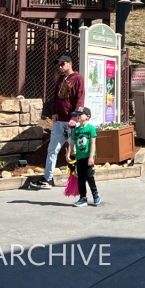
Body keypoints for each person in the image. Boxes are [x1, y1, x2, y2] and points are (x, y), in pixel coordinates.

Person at [32, 54, 85, 190]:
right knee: (52, 149)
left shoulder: (78, 78)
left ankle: (81, 176)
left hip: (71, 122)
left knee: (75, 151)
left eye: (63, 64)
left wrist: (74, 118)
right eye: (59, 65)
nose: (60, 67)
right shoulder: (61, 79)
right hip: (58, 121)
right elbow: (55, 96)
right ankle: (47, 179)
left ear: (69, 64)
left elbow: (80, 100)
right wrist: (54, 112)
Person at [68, 107, 99, 207]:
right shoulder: (76, 130)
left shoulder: (91, 128)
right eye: (77, 115)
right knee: (80, 177)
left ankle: (95, 193)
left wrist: (91, 157)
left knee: (89, 176)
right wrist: (68, 154)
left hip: (88, 156)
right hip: (80, 157)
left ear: (88, 116)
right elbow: (71, 143)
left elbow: (93, 144)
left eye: (80, 114)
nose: (78, 116)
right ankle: (83, 197)